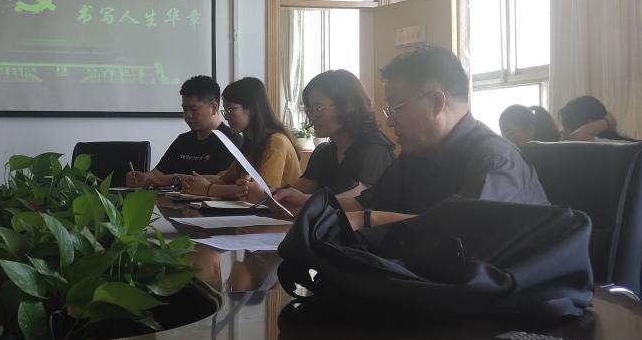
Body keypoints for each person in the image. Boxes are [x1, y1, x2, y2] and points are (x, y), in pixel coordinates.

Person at [275, 46, 548, 223]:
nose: (389, 120)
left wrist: (368, 220)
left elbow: (460, 238)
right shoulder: (416, 153)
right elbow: (364, 203)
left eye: (396, 107)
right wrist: (309, 203)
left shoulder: (493, 161)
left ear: (436, 102)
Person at [181, 77, 300, 200]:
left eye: (230, 109)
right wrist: (188, 180)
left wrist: (208, 189)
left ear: (252, 109)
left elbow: (261, 194)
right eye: (225, 110)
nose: (226, 117)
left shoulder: (277, 141)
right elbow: (224, 180)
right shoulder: (250, 144)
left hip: (278, 212)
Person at [289, 70, 394, 196]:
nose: (312, 116)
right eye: (310, 109)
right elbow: (297, 191)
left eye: (319, 108)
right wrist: (275, 195)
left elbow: (355, 202)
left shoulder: (375, 150)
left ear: (347, 106)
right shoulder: (324, 152)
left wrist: (302, 199)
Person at [126, 76, 238, 188]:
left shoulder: (232, 141)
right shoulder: (183, 140)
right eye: (185, 109)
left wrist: (175, 178)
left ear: (213, 108)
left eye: (194, 110)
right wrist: (142, 178)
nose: (188, 115)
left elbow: (223, 180)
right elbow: (157, 174)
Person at [558, 95, 633, 141]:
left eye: (566, 126)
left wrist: (606, 122)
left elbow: (576, 136)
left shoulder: (613, 144)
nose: (563, 131)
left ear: (588, 124)